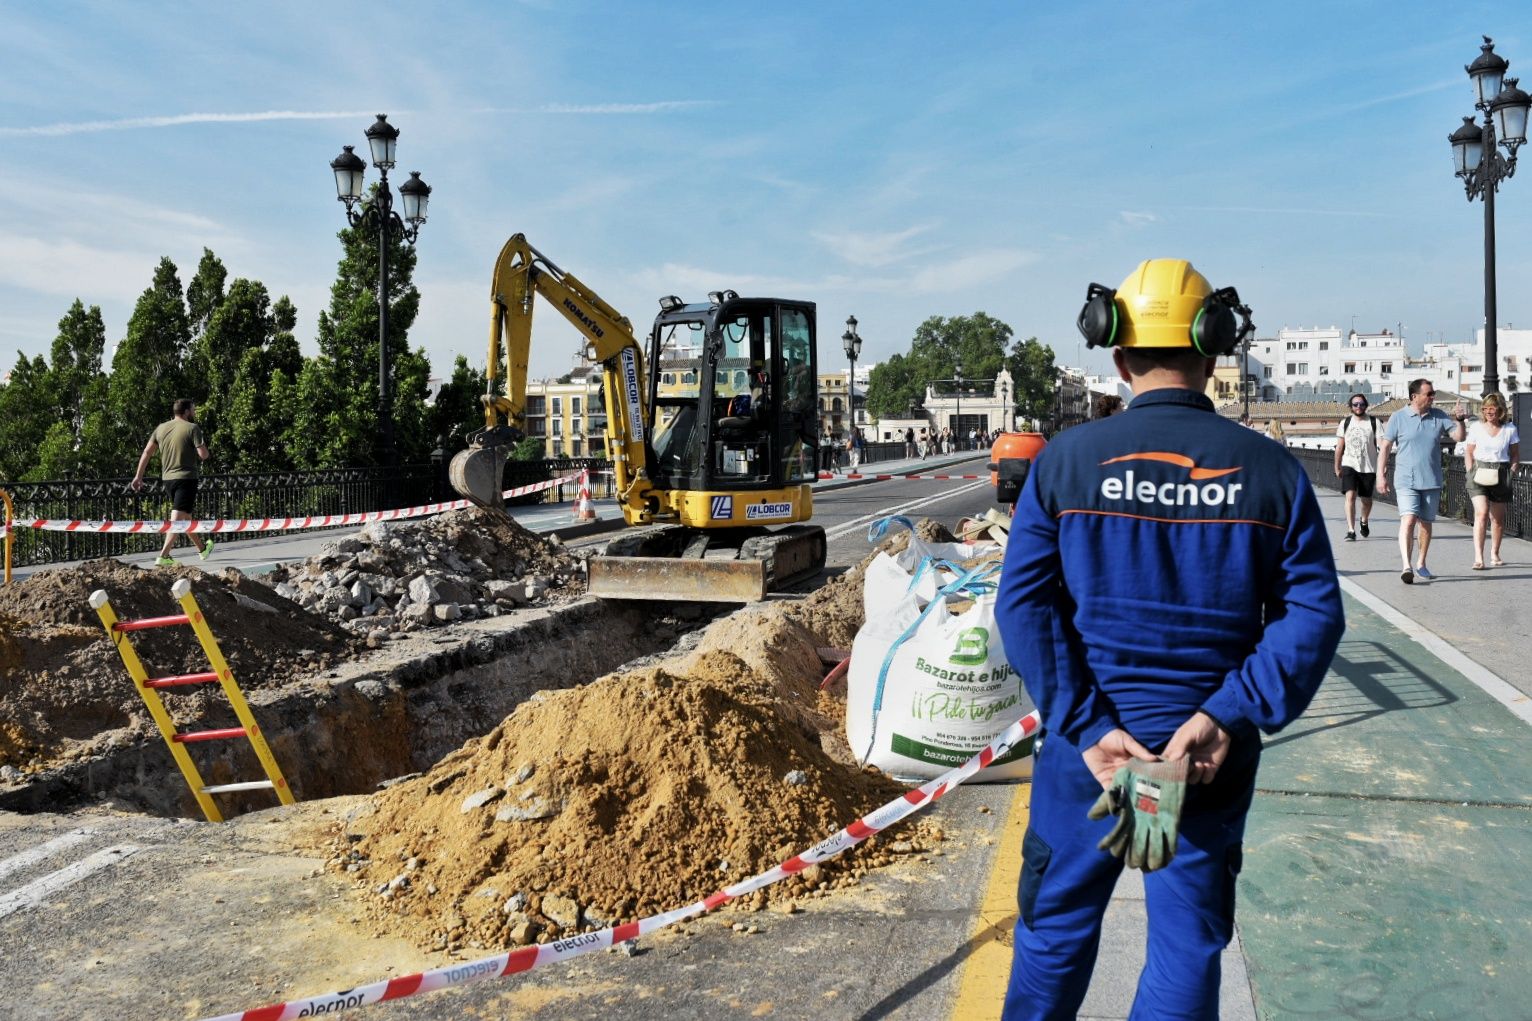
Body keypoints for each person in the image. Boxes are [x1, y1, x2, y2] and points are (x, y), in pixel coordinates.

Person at [996, 258, 1343, 1020]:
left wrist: (1087, 727)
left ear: (1117, 354)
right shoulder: (1272, 473)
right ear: (1212, 351)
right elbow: (1314, 616)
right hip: (1198, 761)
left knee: (1054, 932)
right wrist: (1225, 713)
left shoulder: (1064, 464)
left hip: (1091, 762)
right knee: (1186, 945)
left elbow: (1023, 607)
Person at [1376, 379, 1467, 583]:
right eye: (1429, 393)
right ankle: (1406, 566)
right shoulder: (1398, 417)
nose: (1433, 397)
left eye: (1433, 393)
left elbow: (1458, 437)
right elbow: (1385, 447)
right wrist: (1380, 475)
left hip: (1432, 479)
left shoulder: (1439, 416)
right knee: (1408, 520)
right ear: (1414, 396)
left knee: (1425, 523)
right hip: (1406, 478)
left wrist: (1460, 420)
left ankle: (1421, 563)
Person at [131, 398, 215, 566]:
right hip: (186, 478)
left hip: (168, 480)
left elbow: (147, 453)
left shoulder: (160, 428)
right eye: (193, 409)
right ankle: (164, 555)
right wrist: (202, 445)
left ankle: (202, 548)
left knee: (184, 517)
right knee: (177, 519)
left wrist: (138, 477)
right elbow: (203, 455)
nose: (195, 411)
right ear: (186, 411)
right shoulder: (193, 428)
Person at [1464, 391, 1520, 570]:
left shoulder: (1510, 429)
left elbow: (1515, 454)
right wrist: (1469, 471)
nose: (1489, 411)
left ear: (1500, 410)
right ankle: (1478, 558)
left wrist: (1511, 471)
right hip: (1479, 472)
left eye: (1492, 408)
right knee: (1481, 513)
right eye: (1486, 408)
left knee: (1497, 520)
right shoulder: (1476, 427)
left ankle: (1494, 553)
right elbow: (1469, 452)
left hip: (1501, 472)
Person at [1333, 392, 1379, 542]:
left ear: (1366, 406)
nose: (1358, 407)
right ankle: (1351, 530)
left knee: (1366, 500)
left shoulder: (1374, 422)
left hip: (1368, 467)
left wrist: (1382, 466)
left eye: (1361, 404)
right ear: (1351, 406)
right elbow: (1339, 447)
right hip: (1349, 464)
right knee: (1350, 496)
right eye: (1355, 404)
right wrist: (1337, 466)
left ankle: (1364, 520)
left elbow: (1382, 446)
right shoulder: (1345, 423)